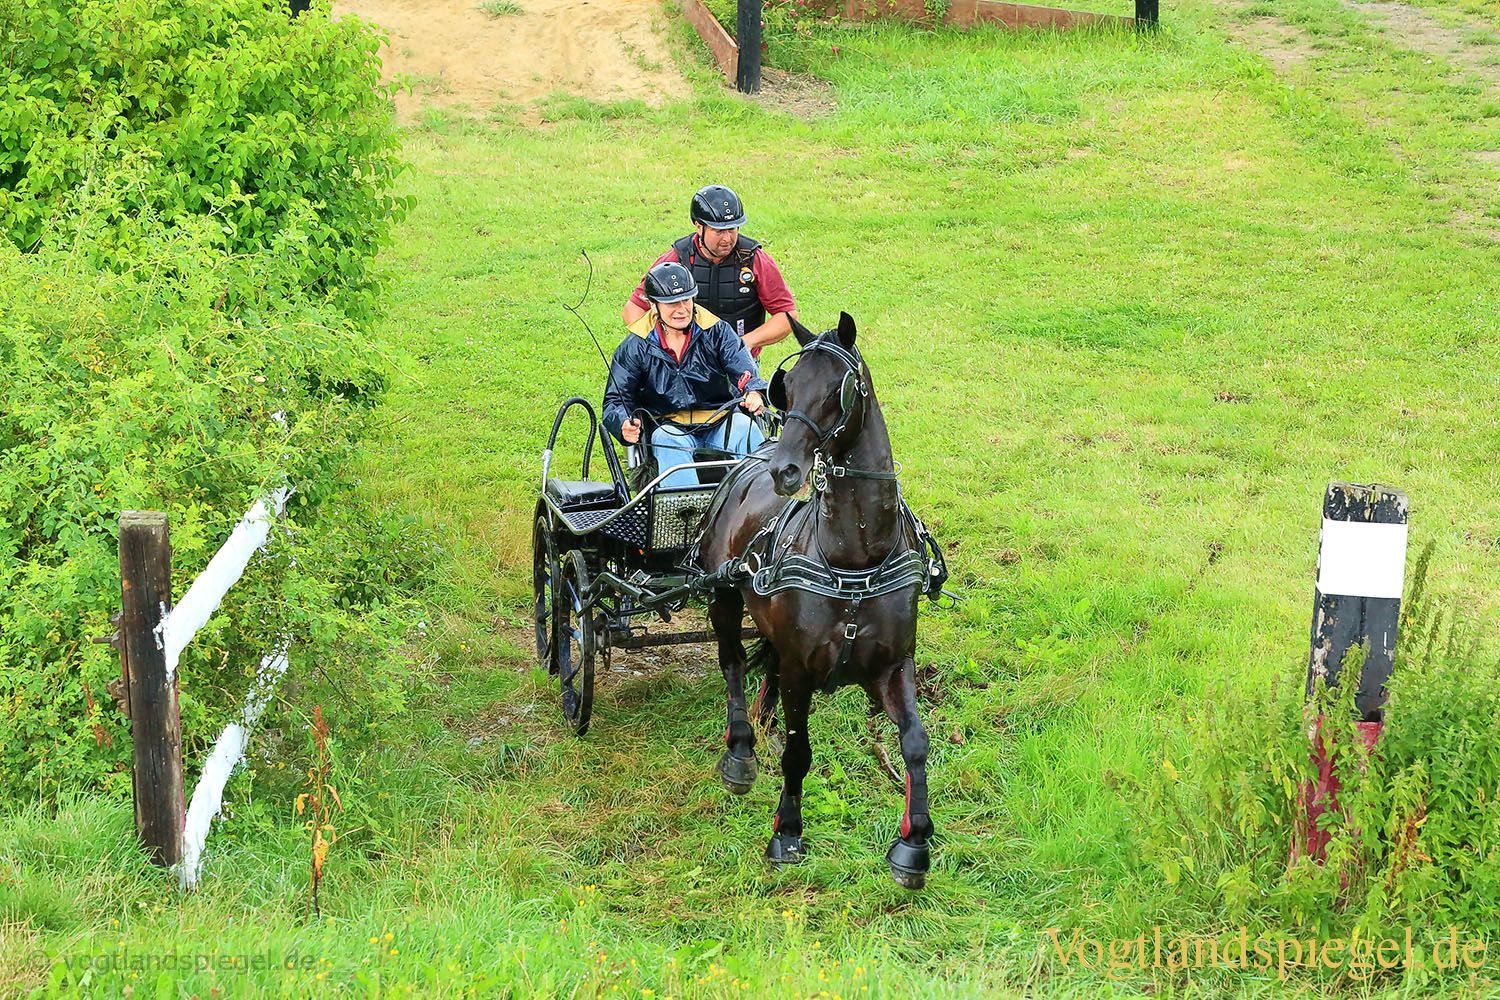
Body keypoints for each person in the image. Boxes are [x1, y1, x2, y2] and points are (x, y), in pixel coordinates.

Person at [605, 262, 768, 488]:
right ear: (653, 305)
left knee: (745, 428)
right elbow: (615, 400)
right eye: (671, 303)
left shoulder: (717, 331)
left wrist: (754, 390)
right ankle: (685, 511)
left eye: (686, 300)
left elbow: (743, 367)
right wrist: (623, 422)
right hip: (669, 428)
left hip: (720, 423)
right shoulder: (635, 346)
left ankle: (764, 502)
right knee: (665, 439)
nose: (681, 309)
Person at [621, 185, 797, 358]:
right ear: (699, 227)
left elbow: (787, 314)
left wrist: (745, 342)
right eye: (719, 231)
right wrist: (663, 349)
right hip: (686, 363)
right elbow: (634, 309)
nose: (727, 239)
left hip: (737, 363)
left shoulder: (755, 260)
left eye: (732, 229)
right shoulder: (677, 259)